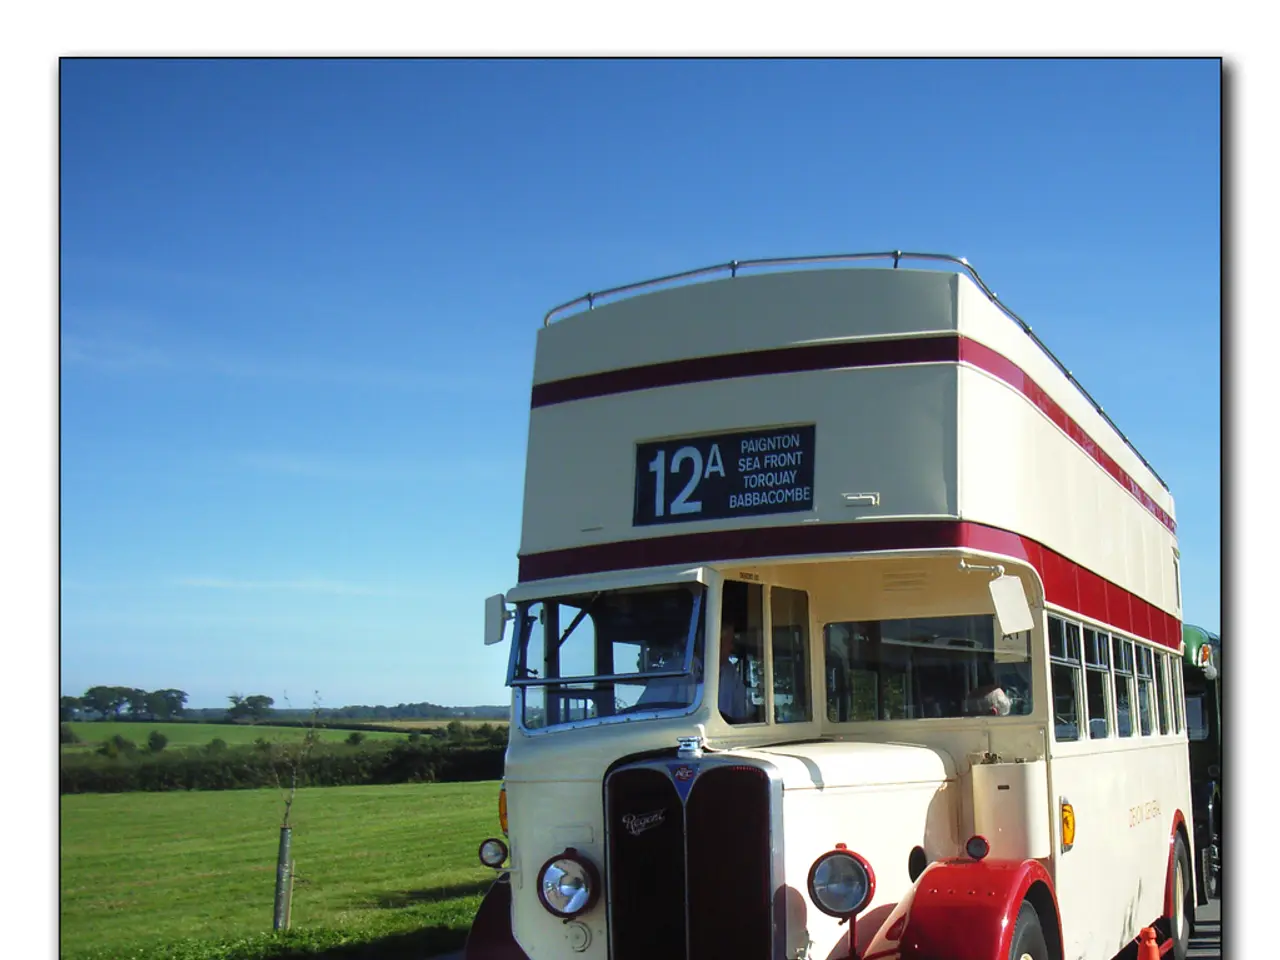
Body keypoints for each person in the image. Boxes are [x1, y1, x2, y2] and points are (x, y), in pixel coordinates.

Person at [719, 622, 752, 722]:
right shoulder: (685, 667)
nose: (732, 648)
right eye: (730, 642)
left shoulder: (730, 671)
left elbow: (742, 714)